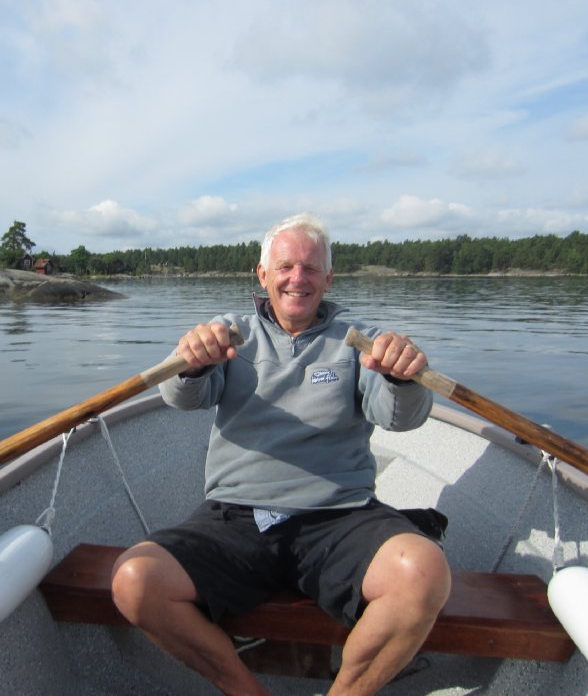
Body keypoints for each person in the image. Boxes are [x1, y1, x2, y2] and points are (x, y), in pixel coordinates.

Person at [111, 213, 451, 696]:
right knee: (134, 581)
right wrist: (188, 366)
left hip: (341, 517)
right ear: (262, 274)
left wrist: (401, 376)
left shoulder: (361, 342)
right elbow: (183, 398)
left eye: (311, 269)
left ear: (329, 279)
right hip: (236, 518)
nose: (298, 278)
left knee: (423, 571)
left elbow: (399, 417)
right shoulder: (229, 335)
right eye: (286, 266)